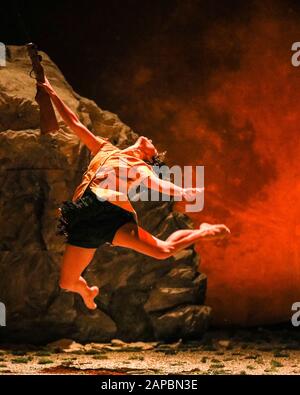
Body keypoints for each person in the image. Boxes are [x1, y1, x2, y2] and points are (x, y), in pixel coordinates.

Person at [37, 78, 230, 310]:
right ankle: (87, 291)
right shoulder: (105, 149)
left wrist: (182, 190)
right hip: (83, 218)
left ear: (148, 157)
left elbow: (158, 184)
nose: (149, 141)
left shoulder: (141, 167)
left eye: (153, 148)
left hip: (111, 217)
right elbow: (75, 123)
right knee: (67, 282)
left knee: (162, 251)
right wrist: (50, 90)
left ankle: (201, 232)